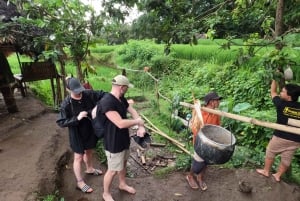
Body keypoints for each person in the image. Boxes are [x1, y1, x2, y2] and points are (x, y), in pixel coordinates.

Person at [99, 74, 146, 201]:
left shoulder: (121, 98)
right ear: (122, 87)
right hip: (113, 141)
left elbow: (131, 109)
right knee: (112, 170)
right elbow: (120, 123)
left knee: (124, 163)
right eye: (126, 88)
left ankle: (122, 183)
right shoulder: (107, 102)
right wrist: (137, 122)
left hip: (123, 138)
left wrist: (140, 123)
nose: (127, 90)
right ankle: (106, 193)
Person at [56, 77, 105, 193]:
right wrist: (77, 118)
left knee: (89, 151)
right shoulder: (66, 104)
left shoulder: (87, 94)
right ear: (68, 90)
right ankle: (79, 182)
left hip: (89, 129)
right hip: (76, 133)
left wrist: (97, 108)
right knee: (78, 157)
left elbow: (103, 94)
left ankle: (89, 168)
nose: (79, 92)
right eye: (75, 91)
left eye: (79, 89)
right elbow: (61, 122)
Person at [256, 80, 300, 182]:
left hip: (281, 136)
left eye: (283, 91)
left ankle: (266, 171)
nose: (281, 93)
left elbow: (273, 92)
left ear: (288, 96)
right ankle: (277, 175)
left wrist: (274, 79)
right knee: (287, 158)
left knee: (270, 151)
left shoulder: (281, 104)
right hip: (296, 139)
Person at [186, 91, 222, 190]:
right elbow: (194, 128)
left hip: (210, 142)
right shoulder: (200, 112)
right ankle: (190, 176)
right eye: (217, 100)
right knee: (198, 162)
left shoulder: (217, 114)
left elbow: (217, 127)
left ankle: (200, 177)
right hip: (200, 142)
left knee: (206, 161)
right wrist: (202, 137)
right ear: (211, 102)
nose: (219, 102)